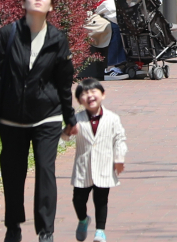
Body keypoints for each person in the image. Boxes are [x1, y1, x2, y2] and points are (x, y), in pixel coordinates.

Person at [0, 0, 79, 242]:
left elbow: (63, 83)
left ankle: (46, 231)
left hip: (46, 116)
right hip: (11, 117)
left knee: (45, 171)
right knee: (12, 173)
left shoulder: (58, 39)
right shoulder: (8, 34)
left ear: (50, 6)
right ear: (24, 2)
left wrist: (70, 119)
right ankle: (13, 227)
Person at [69, 80, 126, 242]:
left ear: (103, 94)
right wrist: (68, 130)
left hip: (104, 166)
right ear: (80, 100)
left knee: (101, 200)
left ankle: (100, 231)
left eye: (93, 92)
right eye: (84, 94)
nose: (90, 96)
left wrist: (119, 158)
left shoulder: (112, 118)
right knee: (78, 199)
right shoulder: (77, 119)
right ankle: (83, 219)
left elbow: (120, 138)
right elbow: (65, 137)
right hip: (83, 168)